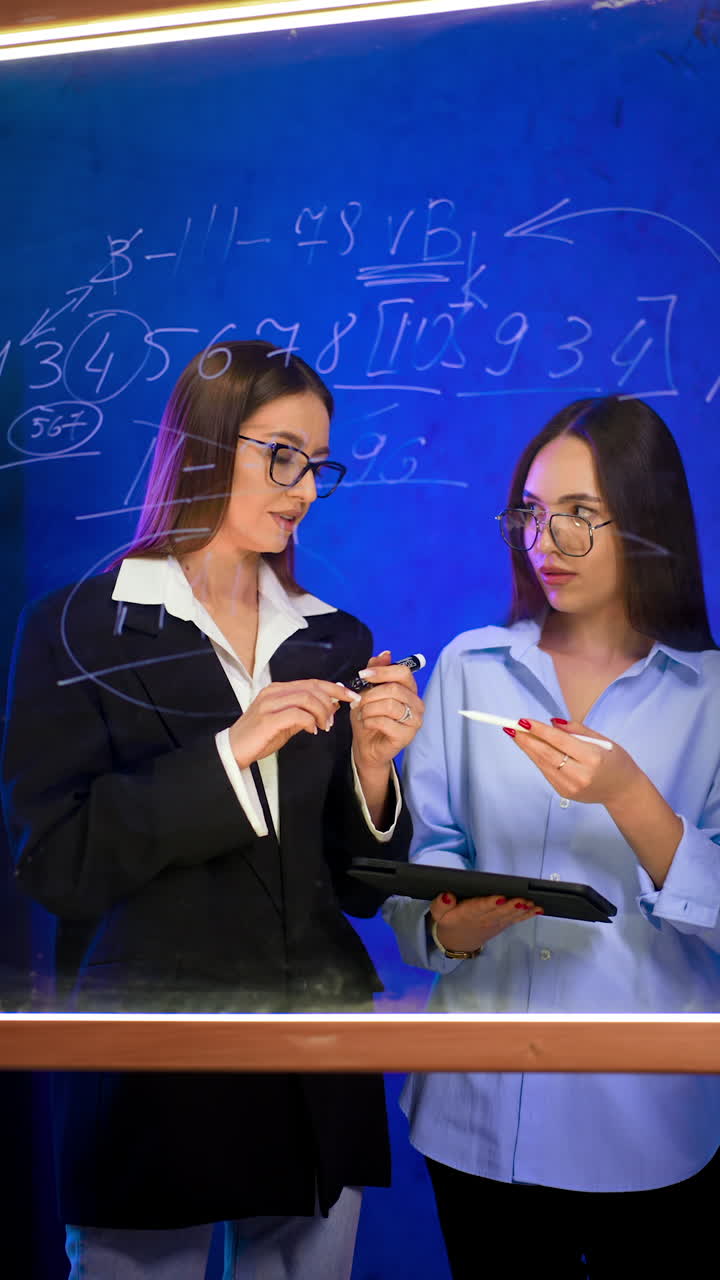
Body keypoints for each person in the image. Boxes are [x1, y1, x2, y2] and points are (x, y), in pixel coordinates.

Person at [1, 339, 424, 1279]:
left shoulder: (333, 636)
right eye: (280, 455)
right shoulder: (77, 625)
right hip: (158, 1066)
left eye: (317, 464)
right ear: (201, 446)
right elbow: (54, 865)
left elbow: (354, 886)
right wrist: (231, 752)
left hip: (315, 1061)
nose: (303, 487)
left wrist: (374, 769)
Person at [384, 396, 720, 1279]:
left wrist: (627, 794)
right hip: (474, 1116)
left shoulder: (710, 695)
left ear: (647, 522)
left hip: (649, 1125)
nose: (545, 542)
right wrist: (442, 927)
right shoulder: (471, 662)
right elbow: (432, 851)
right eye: (531, 514)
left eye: (579, 516)